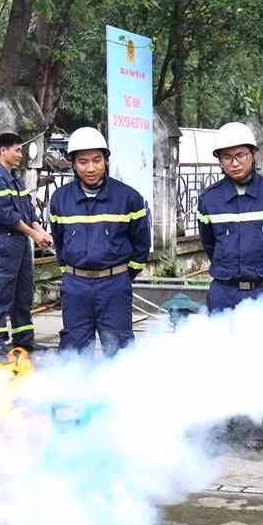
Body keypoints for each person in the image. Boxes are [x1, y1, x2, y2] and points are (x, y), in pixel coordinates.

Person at [196, 121, 263, 467]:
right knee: (221, 362)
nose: (234, 163)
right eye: (226, 158)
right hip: (224, 293)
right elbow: (210, 244)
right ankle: (221, 432)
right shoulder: (209, 199)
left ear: (254, 155)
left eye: (240, 155)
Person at [49, 127, 150, 358]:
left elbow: (141, 245)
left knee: (119, 349)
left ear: (105, 160)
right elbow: (60, 242)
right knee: (73, 350)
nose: (91, 168)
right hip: (75, 287)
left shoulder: (128, 198)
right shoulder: (60, 199)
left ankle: (120, 393)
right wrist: (71, 274)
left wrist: (122, 275)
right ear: (73, 163)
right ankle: (75, 394)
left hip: (114, 285)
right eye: (83, 161)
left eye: (97, 160)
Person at [0, 133, 52, 356]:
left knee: (23, 292)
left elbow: (28, 211)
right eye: (17, 150)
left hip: (20, 241)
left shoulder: (15, 179)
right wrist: (33, 234)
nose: (21, 155)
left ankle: (23, 339)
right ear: (3, 150)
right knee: (2, 291)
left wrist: (42, 233)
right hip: (6, 241)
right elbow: (8, 216)